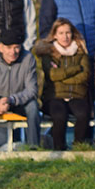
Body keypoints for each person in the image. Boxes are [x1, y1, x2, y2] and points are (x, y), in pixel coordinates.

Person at [34, 18, 90, 150]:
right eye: (61, 33)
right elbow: (52, 75)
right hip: (55, 96)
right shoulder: (48, 54)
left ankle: (78, 147)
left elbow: (85, 76)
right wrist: (75, 69)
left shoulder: (81, 53)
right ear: (54, 35)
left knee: (83, 113)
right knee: (59, 115)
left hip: (77, 95)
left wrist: (62, 77)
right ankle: (59, 149)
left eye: (68, 33)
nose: (65, 37)